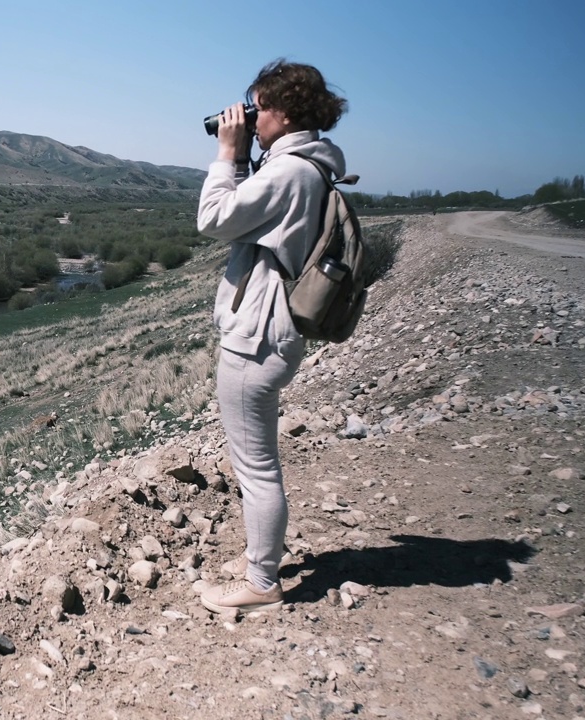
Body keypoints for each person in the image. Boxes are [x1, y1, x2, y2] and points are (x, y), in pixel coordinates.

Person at [196, 59, 348, 613]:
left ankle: (261, 583)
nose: (250, 115)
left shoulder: (288, 173)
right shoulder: (307, 167)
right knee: (257, 461)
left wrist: (227, 155)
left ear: (284, 112)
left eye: (258, 105)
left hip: (255, 339)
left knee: (255, 467)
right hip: (273, 332)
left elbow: (213, 219)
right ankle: (261, 559)